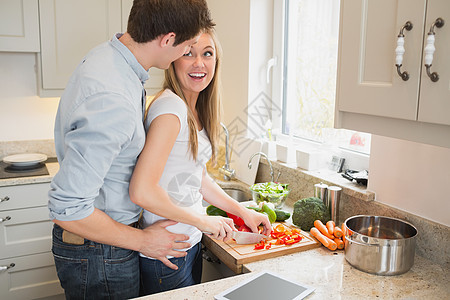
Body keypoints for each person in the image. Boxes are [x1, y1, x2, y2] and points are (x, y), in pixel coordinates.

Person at [47, 1, 215, 299]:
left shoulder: (112, 60)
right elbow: (67, 209)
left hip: (103, 244)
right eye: (186, 47)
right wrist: (142, 241)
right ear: (167, 40)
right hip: (100, 250)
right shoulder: (113, 97)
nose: (188, 56)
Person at [129, 29, 272, 295]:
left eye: (207, 54)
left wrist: (242, 212)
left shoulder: (192, 109)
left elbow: (198, 177)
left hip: (187, 244)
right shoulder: (171, 110)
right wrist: (203, 221)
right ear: (173, 60)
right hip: (168, 252)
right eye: (188, 54)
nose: (199, 63)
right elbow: (142, 190)